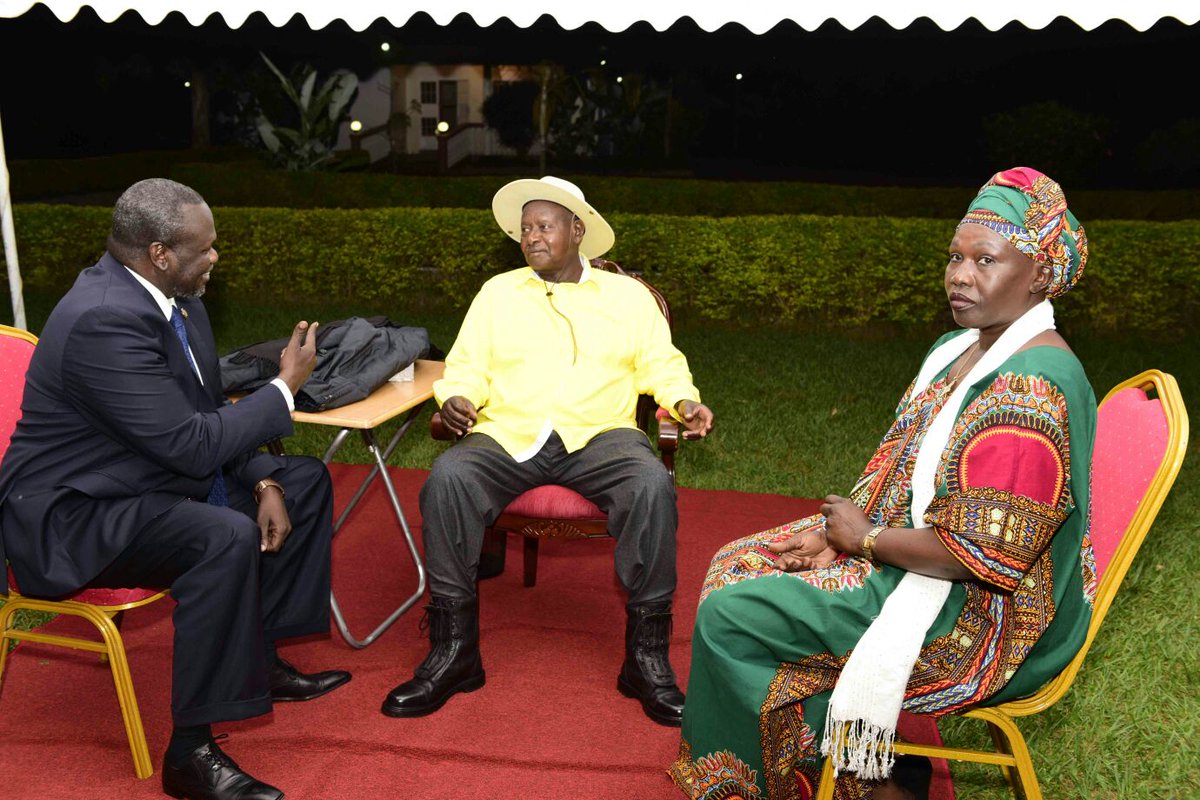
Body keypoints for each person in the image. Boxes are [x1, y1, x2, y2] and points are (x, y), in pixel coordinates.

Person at [669, 167, 1094, 799]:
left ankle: (769, 780)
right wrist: (832, 536)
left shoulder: (1027, 393)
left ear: (1038, 274)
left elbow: (983, 558)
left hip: (978, 622)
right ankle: (849, 765)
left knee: (735, 616)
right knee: (741, 562)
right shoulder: (962, 349)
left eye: (986, 259)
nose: (960, 274)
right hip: (924, 562)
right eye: (955, 255)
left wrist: (864, 541)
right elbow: (899, 468)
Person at [0, 178, 351, 800]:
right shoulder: (103, 318)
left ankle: (258, 658)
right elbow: (189, 446)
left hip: (144, 476)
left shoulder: (176, 298)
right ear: (159, 252)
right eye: (205, 248)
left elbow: (201, 414)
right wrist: (284, 390)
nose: (215, 257)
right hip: (74, 512)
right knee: (220, 536)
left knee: (301, 481)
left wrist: (263, 477)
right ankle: (190, 755)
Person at [381, 175, 714, 727]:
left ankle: (646, 660)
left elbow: (662, 364)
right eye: (525, 229)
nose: (532, 237)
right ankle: (454, 653)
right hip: (511, 431)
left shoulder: (628, 297)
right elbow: (467, 365)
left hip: (601, 434)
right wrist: (459, 396)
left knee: (651, 485)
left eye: (545, 226)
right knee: (449, 478)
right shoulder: (498, 292)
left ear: (577, 230)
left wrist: (683, 401)